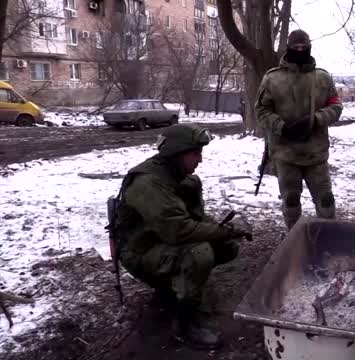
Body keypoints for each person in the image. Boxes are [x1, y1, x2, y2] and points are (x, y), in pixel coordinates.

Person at [113, 124, 252, 347]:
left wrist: (226, 231)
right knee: (198, 253)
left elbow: (196, 217)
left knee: (227, 246)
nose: (200, 160)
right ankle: (184, 325)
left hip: (162, 241)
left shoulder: (181, 177)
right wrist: (223, 231)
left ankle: (170, 288)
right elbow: (180, 231)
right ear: (177, 153)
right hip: (140, 252)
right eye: (196, 153)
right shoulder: (148, 183)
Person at [255, 29, 343, 230]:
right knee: (291, 201)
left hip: (316, 153)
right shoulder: (272, 79)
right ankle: (295, 240)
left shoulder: (322, 78)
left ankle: (329, 238)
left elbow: (336, 107)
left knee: (326, 200)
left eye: (304, 47)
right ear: (288, 48)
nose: (300, 50)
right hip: (286, 154)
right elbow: (261, 110)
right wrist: (281, 127)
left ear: (310, 47)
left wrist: (316, 119)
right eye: (296, 48)